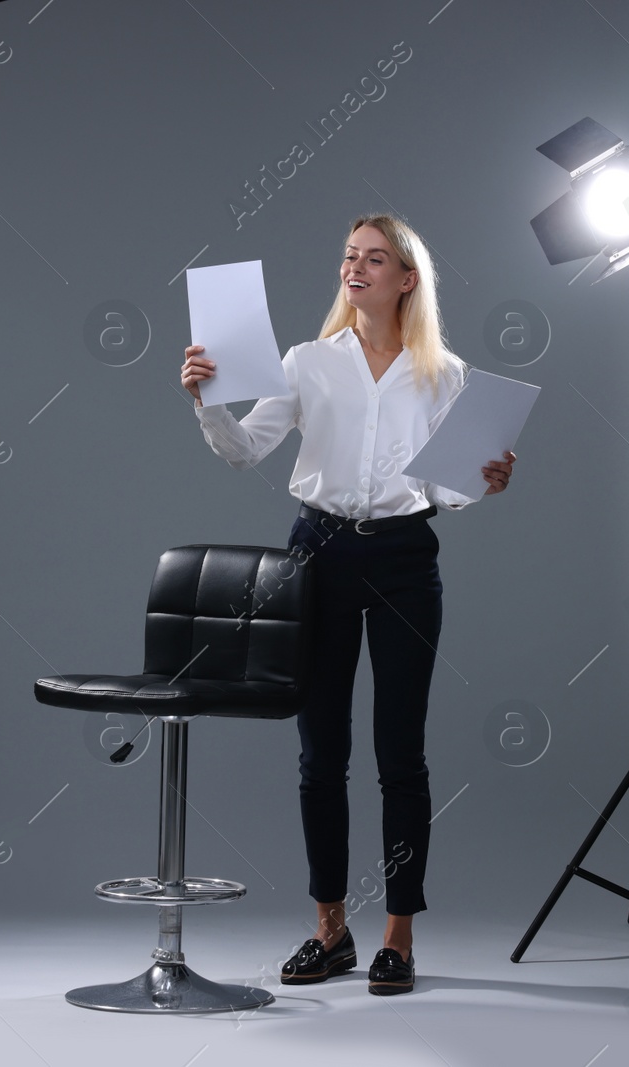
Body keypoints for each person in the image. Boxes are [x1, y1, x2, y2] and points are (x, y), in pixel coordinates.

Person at [181, 214, 516, 996]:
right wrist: (206, 401)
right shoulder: (305, 362)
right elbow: (244, 451)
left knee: (401, 754)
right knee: (319, 752)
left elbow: (446, 490)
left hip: (403, 558)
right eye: (347, 257)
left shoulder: (446, 373)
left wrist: (486, 481)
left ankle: (399, 933)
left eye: (373, 259)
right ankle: (330, 928)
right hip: (317, 556)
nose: (354, 269)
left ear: (408, 279)